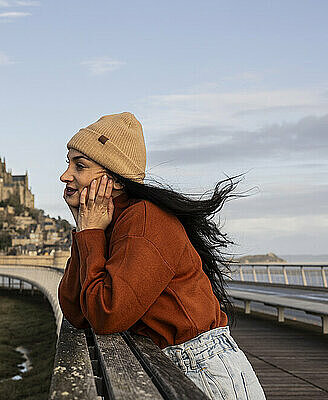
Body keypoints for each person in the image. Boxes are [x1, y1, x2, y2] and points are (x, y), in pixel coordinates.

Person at [58, 112, 266, 400]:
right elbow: (77, 311)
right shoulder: (109, 223)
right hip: (171, 368)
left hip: (204, 374)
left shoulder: (143, 220)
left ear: (115, 180)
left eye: (79, 166)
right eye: (67, 163)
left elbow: (107, 314)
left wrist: (90, 233)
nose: (65, 175)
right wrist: (85, 229)